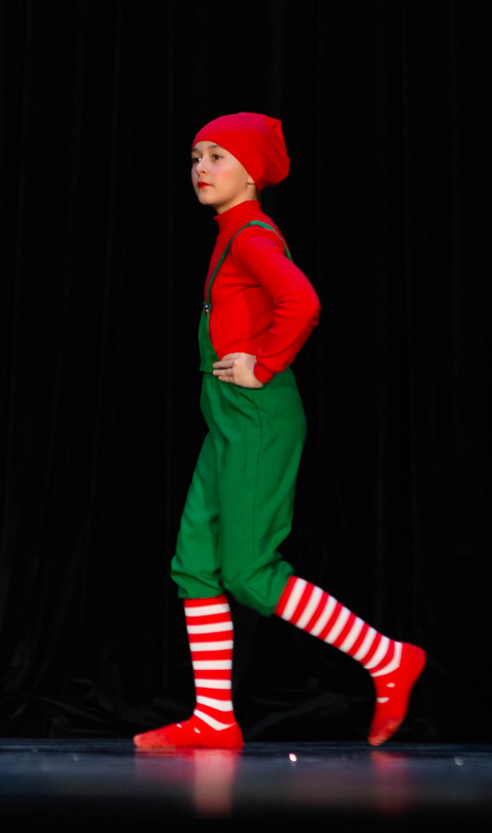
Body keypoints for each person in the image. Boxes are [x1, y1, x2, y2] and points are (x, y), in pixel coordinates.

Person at [134, 112, 426, 750]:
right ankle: (215, 718)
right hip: (227, 419)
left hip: (257, 417)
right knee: (195, 563)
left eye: (218, 156)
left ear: (252, 173)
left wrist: (263, 363)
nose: (201, 168)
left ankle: (386, 657)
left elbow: (303, 301)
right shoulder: (230, 232)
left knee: (247, 570)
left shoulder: (251, 235)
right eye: (196, 157)